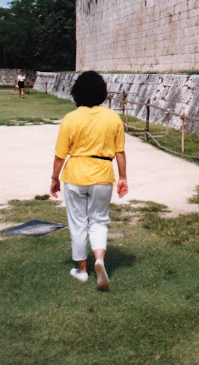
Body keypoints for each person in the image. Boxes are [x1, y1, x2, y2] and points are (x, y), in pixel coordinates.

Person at [50, 70, 128, 291]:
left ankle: (82, 270)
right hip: (102, 174)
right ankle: (99, 259)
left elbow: (60, 155)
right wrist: (123, 177)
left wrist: (55, 178)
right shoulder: (112, 117)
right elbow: (120, 152)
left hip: (75, 174)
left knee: (78, 222)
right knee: (99, 220)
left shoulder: (71, 118)